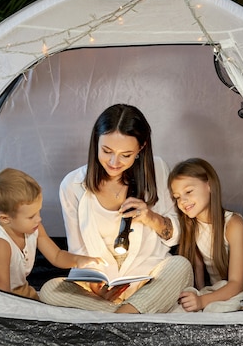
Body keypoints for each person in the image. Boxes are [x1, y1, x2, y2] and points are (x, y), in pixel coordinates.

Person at [39, 104, 193, 313]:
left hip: (149, 279)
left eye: (126, 155)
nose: (114, 162)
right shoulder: (72, 185)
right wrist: (96, 288)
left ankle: (119, 316)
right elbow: (79, 252)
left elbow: (174, 236)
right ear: (96, 142)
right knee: (50, 289)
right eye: (107, 151)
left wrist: (150, 217)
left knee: (180, 265)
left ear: (141, 148)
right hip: (101, 290)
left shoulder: (157, 169)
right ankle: (130, 314)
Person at [0, 168, 106, 301]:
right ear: (5, 219)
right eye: (31, 216)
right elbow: (1, 294)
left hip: (21, 291)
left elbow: (57, 256)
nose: (38, 219)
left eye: (38, 212)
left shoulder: (34, 227)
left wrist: (79, 260)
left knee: (60, 293)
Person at [169, 158, 243, 312]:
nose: (183, 201)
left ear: (209, 185)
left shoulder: (233, 224)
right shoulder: (192, 225)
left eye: (189, 191)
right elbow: (198, 269)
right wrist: (197, 299)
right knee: (182, 306)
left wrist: (202, 301)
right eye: (177, 197)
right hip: (219, 290)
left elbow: (237, 284)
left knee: (219, 306)